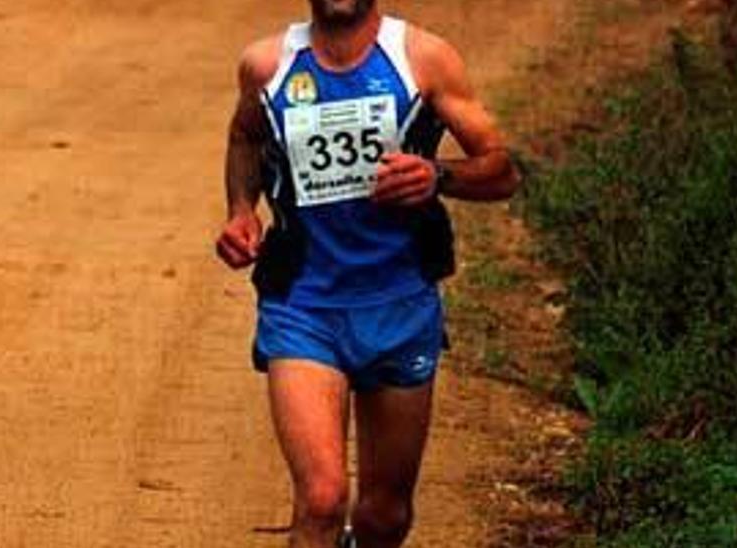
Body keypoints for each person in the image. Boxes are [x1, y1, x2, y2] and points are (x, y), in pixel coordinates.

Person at [215, 1, 520, 546]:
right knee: (322, 499)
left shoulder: (423, 59)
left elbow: (501, 170)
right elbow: (246, 137)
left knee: (386, 517)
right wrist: (242, 210)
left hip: (400, 304)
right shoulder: (267, 65)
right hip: (302, 307)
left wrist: (436, 176)